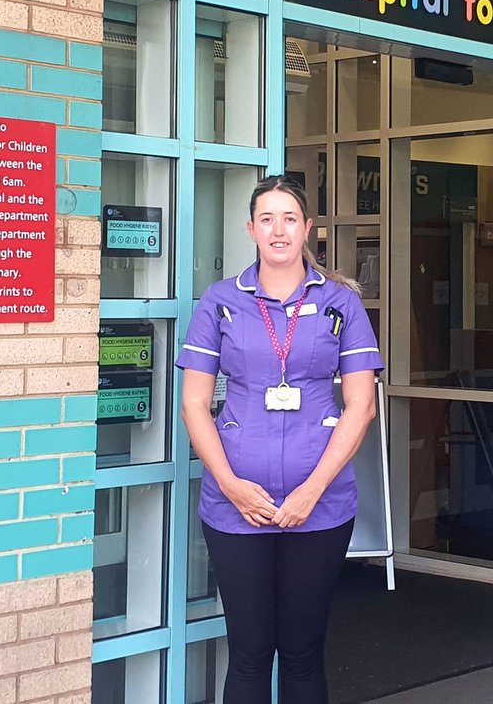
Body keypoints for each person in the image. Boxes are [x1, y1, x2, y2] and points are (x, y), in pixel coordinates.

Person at [176, 174, 383, 704]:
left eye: (289, 218)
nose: (278, 230)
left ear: (307, 228)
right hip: (235, 509)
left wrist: (311, 492)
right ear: (251, 229)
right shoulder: (221, 301)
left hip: (321, 506)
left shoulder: (341, 303)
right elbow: (194, 403)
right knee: (248, 653)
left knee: (301, 653)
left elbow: (361, 406)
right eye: (267, 219)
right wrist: (230, 486)